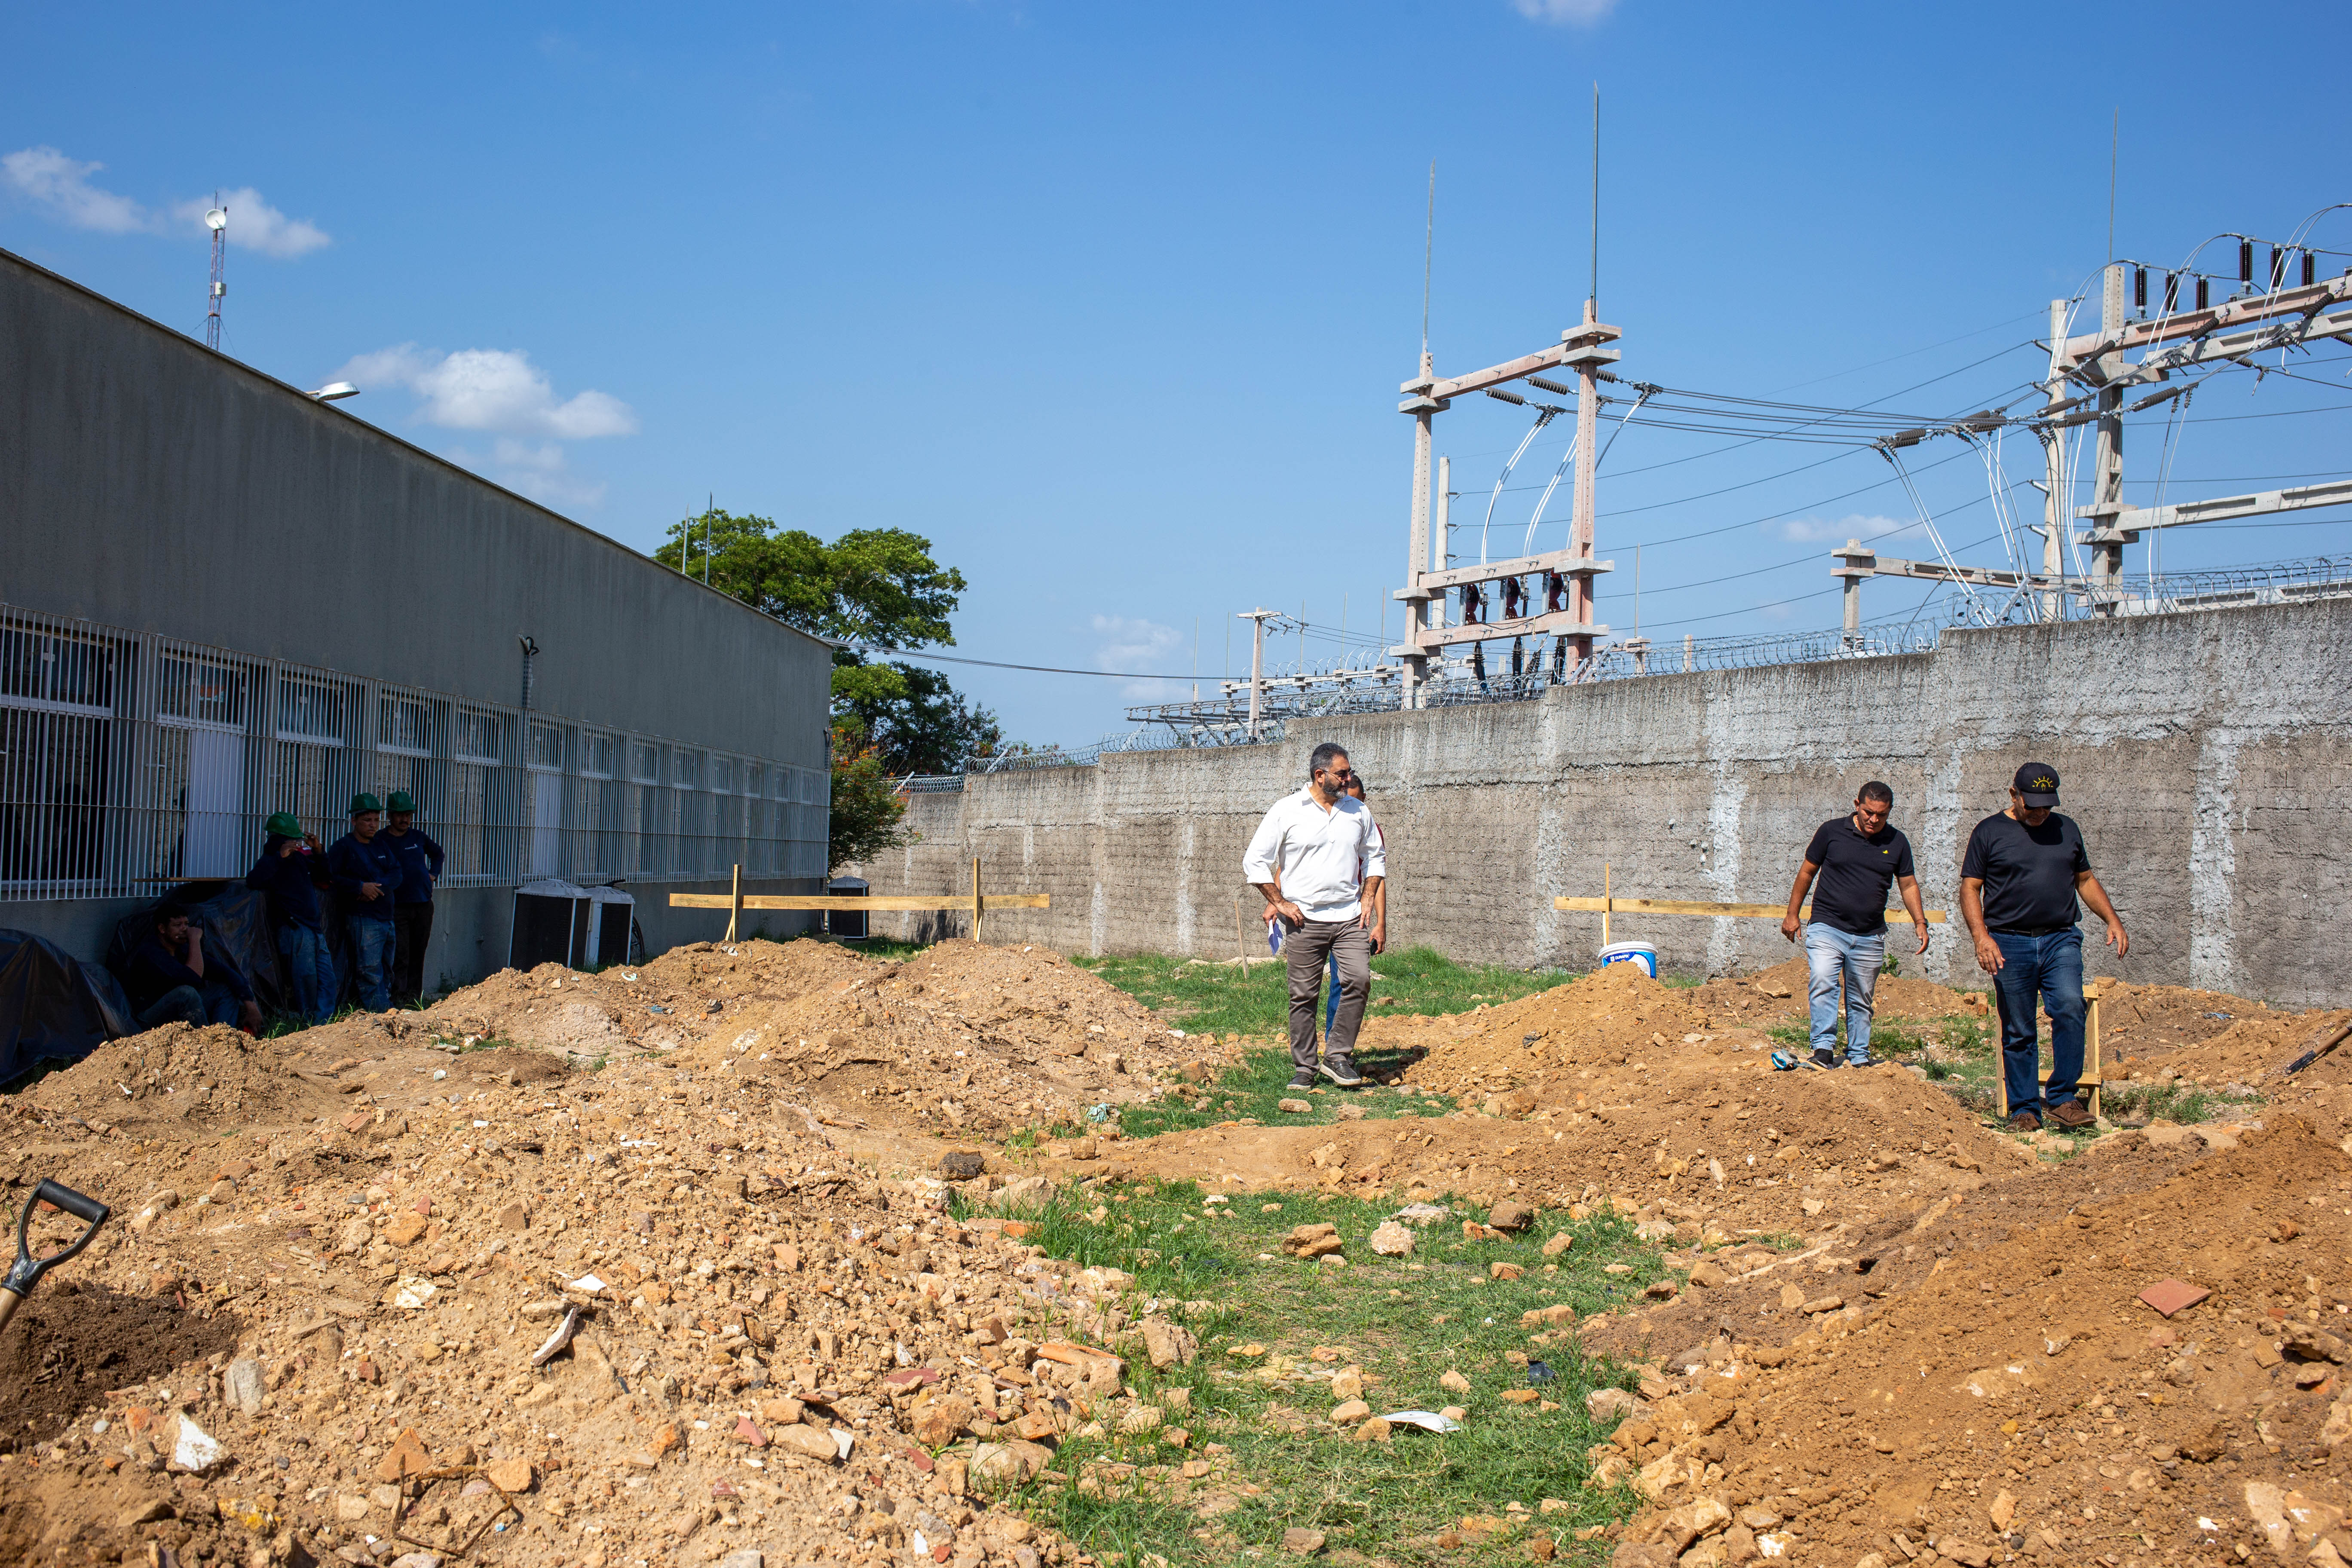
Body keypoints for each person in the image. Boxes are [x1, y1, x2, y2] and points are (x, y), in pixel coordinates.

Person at [1960, 762, 2128, 1133]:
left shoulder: (2066, 828)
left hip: (2060, 938)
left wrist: (2112, 920)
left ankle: (2064, 1099)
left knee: (2069, 1007)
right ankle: (2024, 1109)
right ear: (2013, 794)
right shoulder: (1989, 832)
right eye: (2031, 804)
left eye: (2046, 806)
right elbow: (1971, 887)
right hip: (2008, 942)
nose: (2039, 813)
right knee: (2019, 1028)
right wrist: (1981, 936)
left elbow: (2084, 880)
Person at [1243, 742, 1386, 1091]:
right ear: (1319, 775)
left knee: (1359, 981)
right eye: (1342, 773)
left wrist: (1368, 896)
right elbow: (1255, 862)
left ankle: (1338, 1056)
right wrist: (1280, 902)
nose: (1348, 779)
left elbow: (1376, 857)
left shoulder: (1357, 811)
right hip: (1305, 920)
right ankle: (1305, 1067)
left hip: (1351, 917)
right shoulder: (1287, 811)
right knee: (1304, 995)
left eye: (1349, 772)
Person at [1779, 781, 1928, 1069]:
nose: (1873, 820)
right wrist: (1792, 914)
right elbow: (1807, 872)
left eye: (1881, 815)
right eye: (1868, 812)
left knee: (1861, 996)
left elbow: (1908, 884)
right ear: (1857, 804)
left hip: (1870, 933)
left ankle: (1858, 1056)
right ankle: (1823, 1049)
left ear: (1889, 812)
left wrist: (1920, 922)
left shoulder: (1897, 842)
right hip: (1828, 925)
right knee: (1823, 978)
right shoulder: (1831, 832)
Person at [245, 811, 336, 1024]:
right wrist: (279, 858)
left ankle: (325, 1023)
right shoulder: (270, 861)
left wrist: (318, 851)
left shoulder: (300, 860)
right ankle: (309, 1023)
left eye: (297, 840)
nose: (296, 844)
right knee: (306, 980)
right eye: (291, 840)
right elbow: (253, 880)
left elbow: (324, 877)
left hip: (313, 928)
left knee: (327, 978)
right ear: (278, 840)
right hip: (295, 928)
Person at [123, 906, 262, 1033]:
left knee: (225, 991)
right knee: (186, 992)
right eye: (178, 925)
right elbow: (191, 979)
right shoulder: (152, 953)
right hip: (149, 1018)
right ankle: (204, 1040)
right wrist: (195, 940)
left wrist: (251, 1005)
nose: (185, 930)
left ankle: (222, 1037)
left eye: (187, 924)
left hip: (178, 1012)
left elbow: (226, 973)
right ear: (162, 929)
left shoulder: (181, 950)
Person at [328, 792, 404, 1013]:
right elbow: (332, 877)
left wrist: (374, 887)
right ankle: (380, 1013)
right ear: (354, 821)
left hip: (386, 917)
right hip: (363, 918)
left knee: (387, 966)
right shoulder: (343, 847)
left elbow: (397, 873)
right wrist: (360, 887)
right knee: (369, 969)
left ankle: (386, 1007)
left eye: (376, 821)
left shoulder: (380, 845)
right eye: (367, 821)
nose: (373, 826)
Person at [381, 790, 445, 1006]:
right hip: (397, 906)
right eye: (400, 815)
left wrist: (433, 874)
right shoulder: (381, 839)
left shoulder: (418, 837)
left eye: (408, 815)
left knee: (418, 952)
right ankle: (397, 997)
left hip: (423, 905)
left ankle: (414, 998)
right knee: (401, 954)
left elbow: (438, 853)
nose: (405, 819)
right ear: (390, 816)